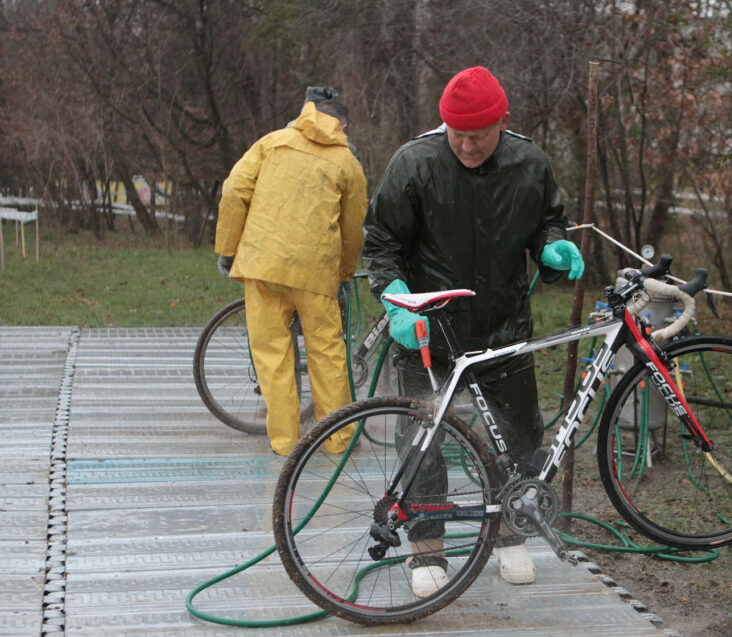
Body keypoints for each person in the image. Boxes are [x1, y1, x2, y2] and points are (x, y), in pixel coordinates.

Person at [362, 66, 584, 597]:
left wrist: (554, 249)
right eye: (455, 133)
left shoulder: (529, 163)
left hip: (504, 325)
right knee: (423, 442)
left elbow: (548, 222)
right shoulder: (414, 163)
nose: (465, 145)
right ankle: (426, 547)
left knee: (519, 435)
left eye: (477, 135)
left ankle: (510, 533)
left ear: (501, 123)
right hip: (427, 329)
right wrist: (396, 302)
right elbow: (381, 243)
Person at [214, 87, 367, 456]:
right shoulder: (347, 162)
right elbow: (353, 225)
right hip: (316, 274)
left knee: (271, 354)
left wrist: (228, 249)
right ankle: (339, 440)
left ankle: (286, 444)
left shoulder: (271, 142)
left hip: (262, 266)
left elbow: (234, 190)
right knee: (327, 353)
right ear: (342, 126)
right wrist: (345, 271)